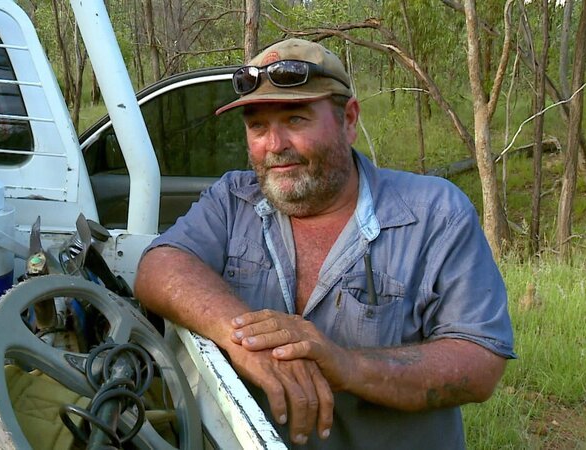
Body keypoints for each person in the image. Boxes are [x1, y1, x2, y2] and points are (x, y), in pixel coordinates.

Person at [134, 38, 516, 449]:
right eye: (257, 126)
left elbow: (479, 362)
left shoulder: (436, 213)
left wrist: (346, 365)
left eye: (295, 119)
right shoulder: (233, 200)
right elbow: (159, 266)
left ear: (349, 120)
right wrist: (242, 337)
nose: (274, 145)